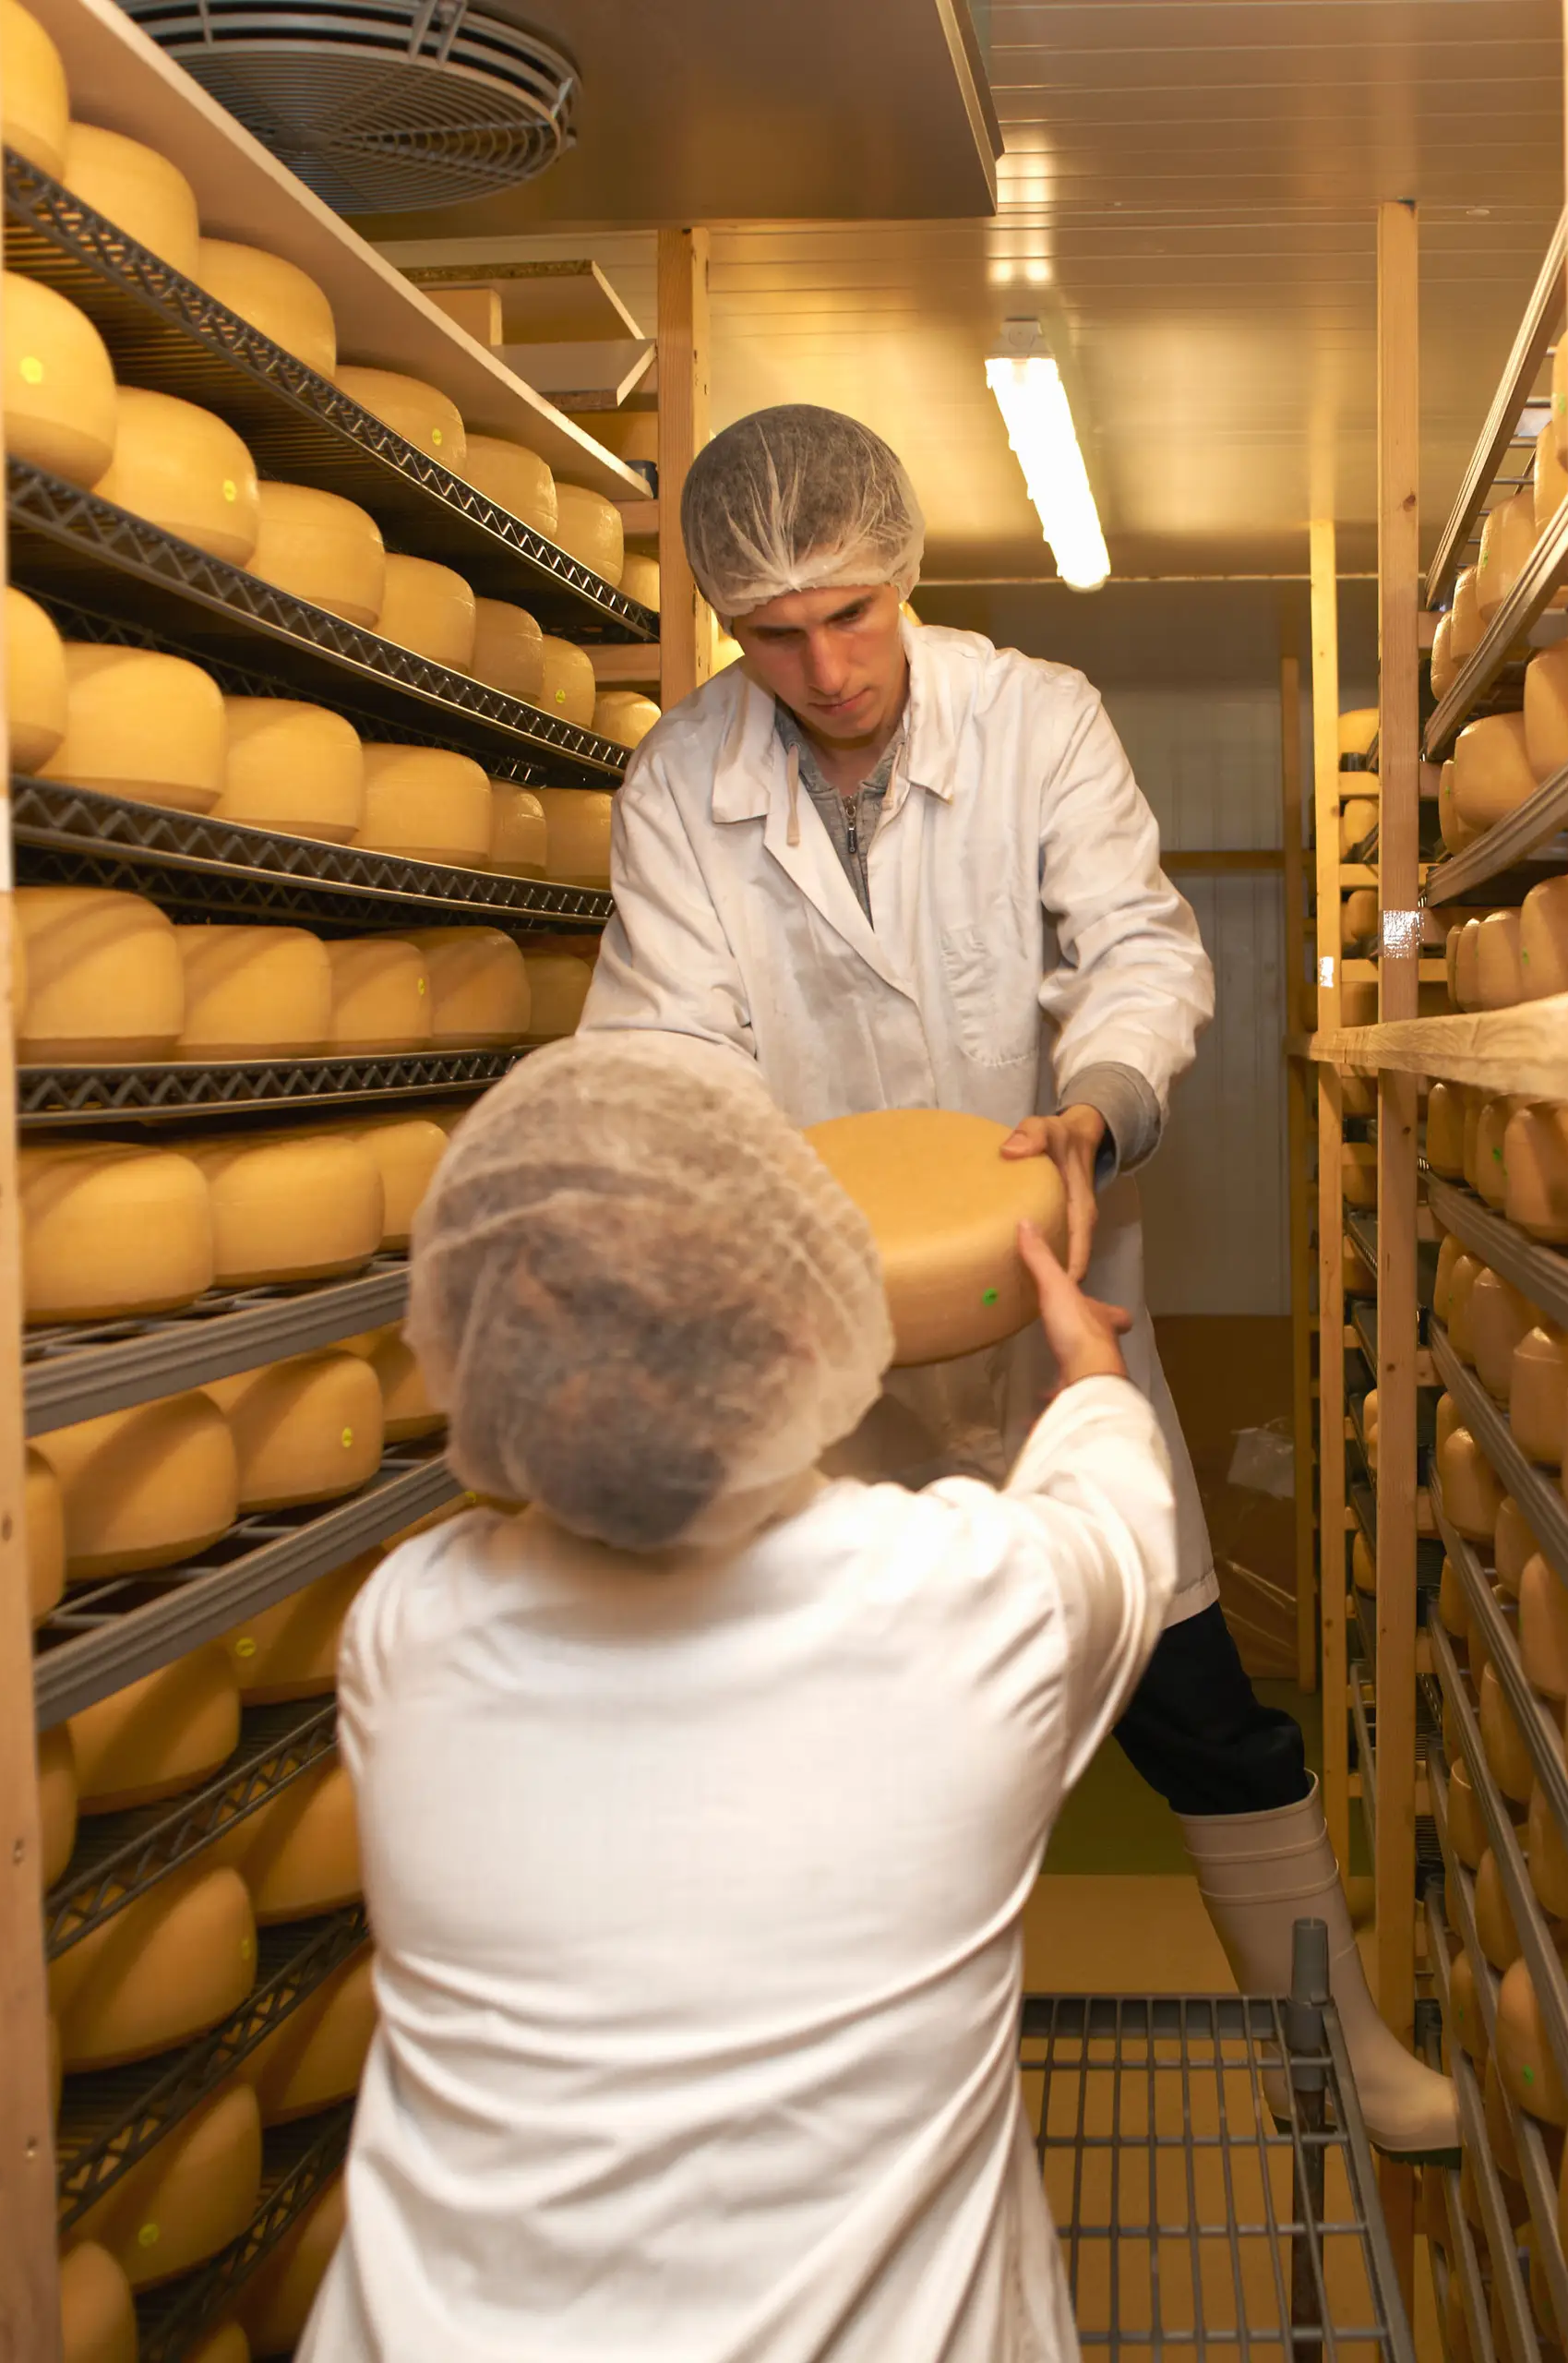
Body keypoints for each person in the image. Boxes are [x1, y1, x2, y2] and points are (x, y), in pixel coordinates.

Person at [582, 402, 1454, 2154]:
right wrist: (733, 1203)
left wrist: (1097, 1107)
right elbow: (668, 1042)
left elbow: (1133, 943)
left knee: (1193, 1706)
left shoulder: (1033, 715)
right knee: (825, 1735)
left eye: (852, 615)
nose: (823, 667)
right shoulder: (685, 780)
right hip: (824, 1345)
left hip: (1058, 1324)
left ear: (901, 574)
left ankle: (1330, 2052)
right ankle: (856, 2113)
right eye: (773, 633)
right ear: (728, 630)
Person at [305, 1033, 1174, 2361]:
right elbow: (1119, 1519)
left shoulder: (407, 1635)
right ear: (814, 1319)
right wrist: (1087, 1372)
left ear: (478, 1348)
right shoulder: (962, 1614)